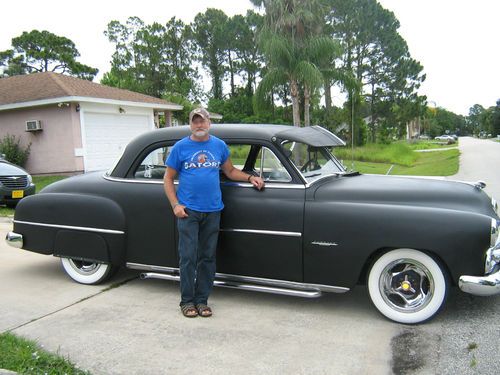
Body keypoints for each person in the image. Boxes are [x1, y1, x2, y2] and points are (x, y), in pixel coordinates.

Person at [163, 107, 265, 318]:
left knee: (207, 257)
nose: (199, 125)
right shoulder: (180, 147)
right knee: (188, 257)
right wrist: (175, 205)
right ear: (190, 124)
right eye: (195, 121)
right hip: (188, 211)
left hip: (213, 210)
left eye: (203, 121)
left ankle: (202, 300)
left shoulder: (218, 145)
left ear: (209, 123)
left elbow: (229, 171)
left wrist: (249, 178)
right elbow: (168, 178)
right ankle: (187, 301)